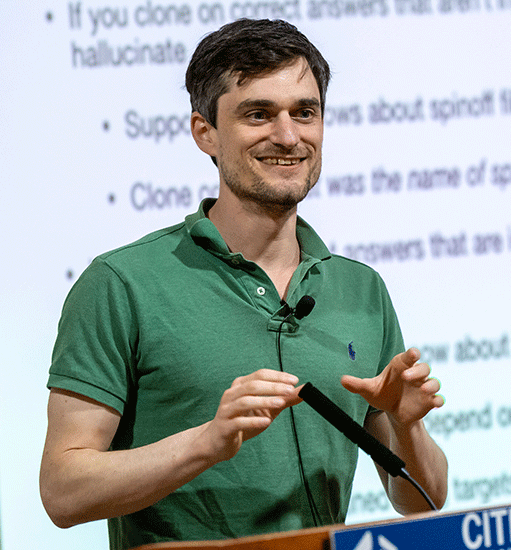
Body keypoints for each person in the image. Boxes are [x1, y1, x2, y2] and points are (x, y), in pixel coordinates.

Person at [40, 18, 448, 550]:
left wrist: (408, 426)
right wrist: (208, 442)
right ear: (204, 131)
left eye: (305, 112)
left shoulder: (361, 288)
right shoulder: (121, 284)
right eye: (259, 114)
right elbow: (63, 493)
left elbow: (423, 501)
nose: (287, 135)